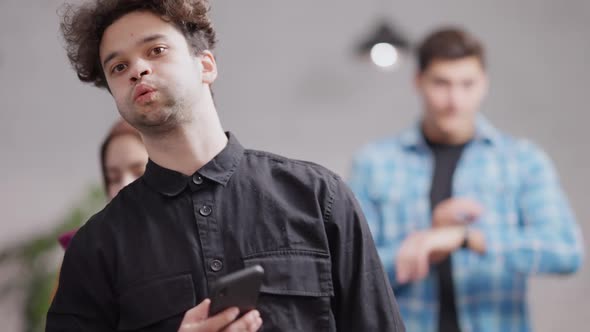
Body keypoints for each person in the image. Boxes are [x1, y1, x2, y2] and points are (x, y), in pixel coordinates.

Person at [47, 1, 405, 331]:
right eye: (118, 66)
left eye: (155, 50)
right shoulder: (97, 247)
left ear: (206, 65)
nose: (137, 69)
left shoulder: (319, 197)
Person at [349, 27, 583, 332]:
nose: (454, 99)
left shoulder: (523, 160)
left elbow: (566, 251)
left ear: (484, 84)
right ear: (418, 82)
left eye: (467, 84)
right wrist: (426, 243)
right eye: (441, 83)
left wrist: (468, 238)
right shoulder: (374, 163)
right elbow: (353, 269)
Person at [58, 118, 148, 250]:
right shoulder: (85, 253)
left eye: (139, 173)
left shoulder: (185, 240)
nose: (125, 185)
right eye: (114, 178)